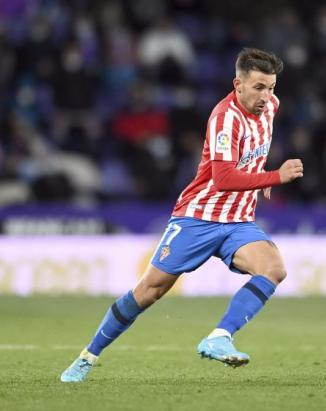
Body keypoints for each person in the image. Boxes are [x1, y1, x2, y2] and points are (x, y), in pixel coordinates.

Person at [60, 48, 304, 382]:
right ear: (238, 84)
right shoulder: (224, 118)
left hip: (238, 221)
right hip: (198, 217)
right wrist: (274, 176)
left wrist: (259, 175)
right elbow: (223, 179)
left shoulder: (271, 108)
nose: (267, 96)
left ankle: (219, 337)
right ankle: (87, 357)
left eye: (272, 88)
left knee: (274, 269)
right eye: (259, 87)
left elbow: (251, 154)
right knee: (149, 292)